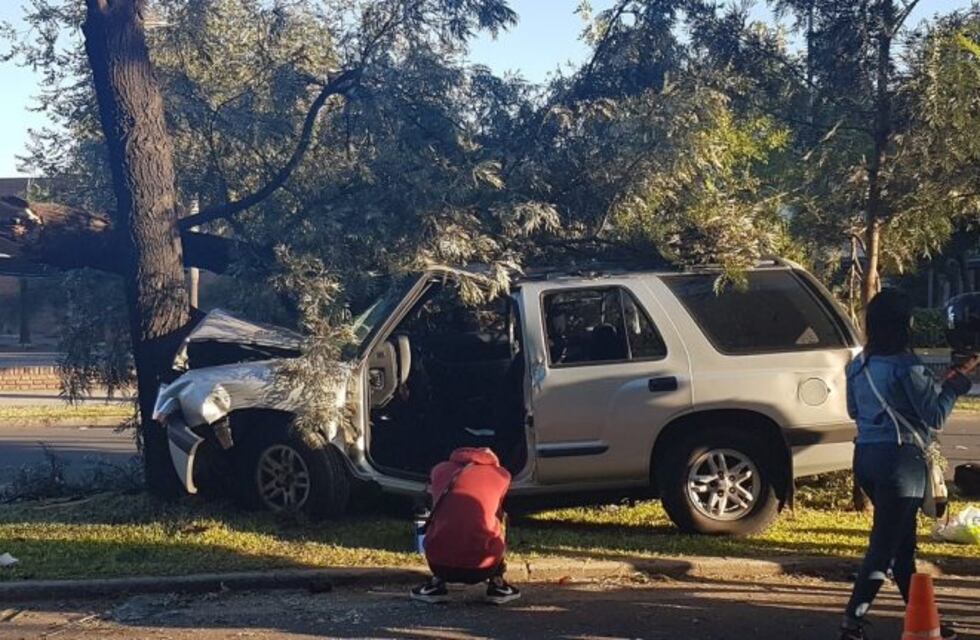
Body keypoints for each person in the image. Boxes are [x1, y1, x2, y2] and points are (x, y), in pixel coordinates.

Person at [839, 289, 980, 640]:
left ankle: (925, 616)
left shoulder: (858, 365)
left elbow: (854, 412)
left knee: (902, 545)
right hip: (901, 461)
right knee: (885, 547)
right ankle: (851, 622)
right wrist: (958, 380)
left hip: (867, 458)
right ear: (905, 325)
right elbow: (934, 415)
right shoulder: (907, 365)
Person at [410, 447, 521, 605]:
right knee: (498, 520)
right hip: (484, 565)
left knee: (445, 520)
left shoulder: (439, 470)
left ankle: (436, 584)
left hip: (439, 564)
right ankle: (497, 584)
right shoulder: (502, 475)